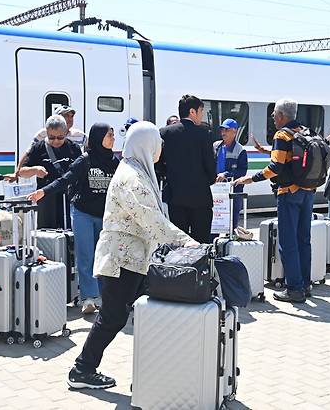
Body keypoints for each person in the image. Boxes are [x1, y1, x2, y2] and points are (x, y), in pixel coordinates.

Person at [67, 121, 198, 390]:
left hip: (135, 261)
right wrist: (189, 243)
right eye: (158, 144)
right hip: (121, 263)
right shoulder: (131, 179)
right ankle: (82, 370)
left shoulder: (138, 171)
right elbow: (152, 220)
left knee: (150, 313)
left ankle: (149, 374)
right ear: (146, 145)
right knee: (113, 318)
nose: (161, 149)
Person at [27, 123, 120, 314]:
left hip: (105, 216)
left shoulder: (115, 162)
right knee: (86, 256)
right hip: (83, 213)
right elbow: (65, 180)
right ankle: (88, 297)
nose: (112, 138)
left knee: (103, 258)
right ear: (98, 137)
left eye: (112, 135)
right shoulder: (84, 160)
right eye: (109, 135)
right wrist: (43, 191)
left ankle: (103, 296)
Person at [235, 99, 314, 303]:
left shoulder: (281, 134)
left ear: (280, 116)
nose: (272, 118)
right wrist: (265, 151)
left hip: (288, 194)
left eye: (273, 115)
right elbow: (289, 158)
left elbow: (276, 167)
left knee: (288, 242)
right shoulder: (303, 131)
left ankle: (294, 289)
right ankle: (305, 285)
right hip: (307, 192)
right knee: (303, 240)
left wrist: (250, 179)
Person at [156, 94, 217, 244]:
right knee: (201, 243)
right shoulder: (203, 133)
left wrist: (169, 175)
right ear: (192, 111)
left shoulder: (165, 133)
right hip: (200, 199)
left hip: (175, 198)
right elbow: (210, 166)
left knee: (179, 243)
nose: (202, 116)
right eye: (201, 111)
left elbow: (157, 163)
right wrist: (207, 180)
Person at [18, 115, 81, 229]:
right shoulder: (39, 147)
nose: (56, 141)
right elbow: (21, 172)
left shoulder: (74, 148)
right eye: (52, 137)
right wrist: (35, 170)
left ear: (66, 133)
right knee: (46, 234)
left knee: (68, 234)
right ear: (46, 132)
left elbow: (81, 173)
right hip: (45, 199)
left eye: (60, 137)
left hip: (67, 199)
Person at [14, 105, 87, 177]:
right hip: (44, 187)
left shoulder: (78, 139)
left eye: (71, 116)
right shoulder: (41, 138)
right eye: (51, 137)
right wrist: (32, 170)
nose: (56, 141)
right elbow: (28, 154)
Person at [214, 118, 248, 229]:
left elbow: (243, 171)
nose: (223, 132)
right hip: (216, 190)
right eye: (222, 130)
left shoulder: (240, 150)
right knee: (215, 222)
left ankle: (230, 242)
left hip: (233, 190)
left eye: (227, 130)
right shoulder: (216, 146)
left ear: (235, 131)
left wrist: (226, 174)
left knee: (232, 222)